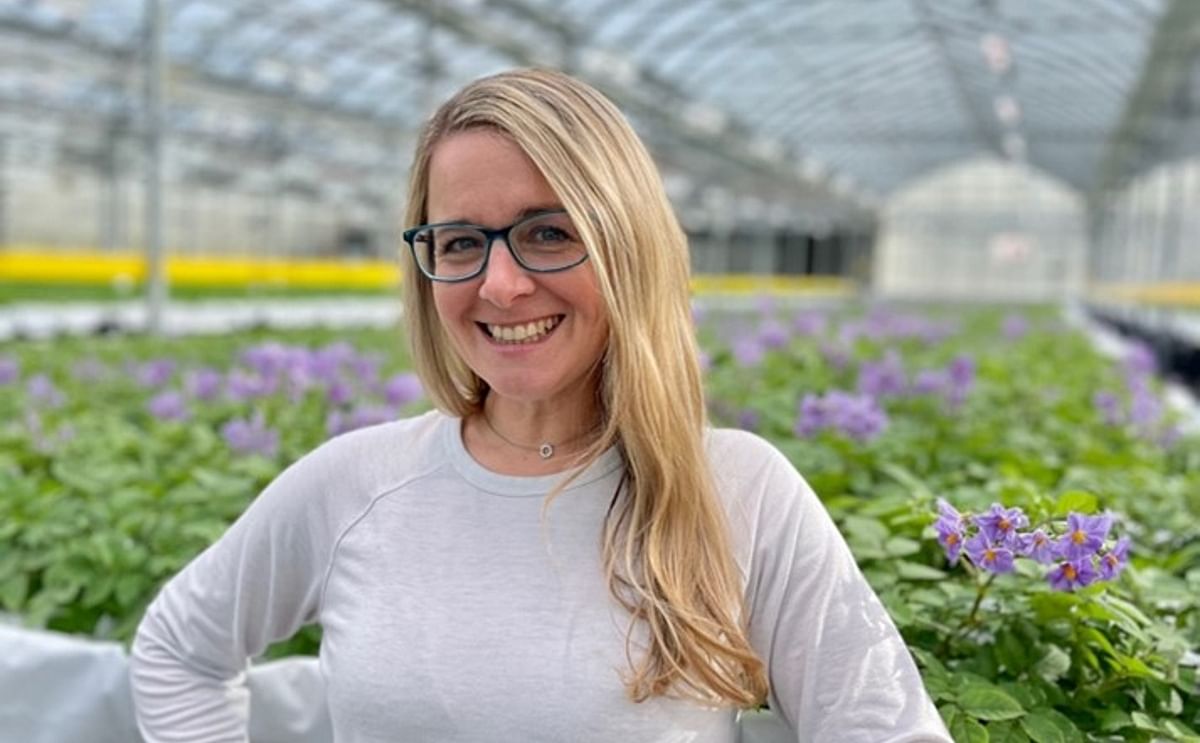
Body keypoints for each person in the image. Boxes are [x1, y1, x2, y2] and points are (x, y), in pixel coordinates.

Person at [130, 68, 951, 742]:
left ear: (628, 243)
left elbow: (882, 726)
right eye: (458, 242)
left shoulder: (737, 490)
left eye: (548, 232)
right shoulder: (357, 482)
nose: (499, 284)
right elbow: (177, 650)